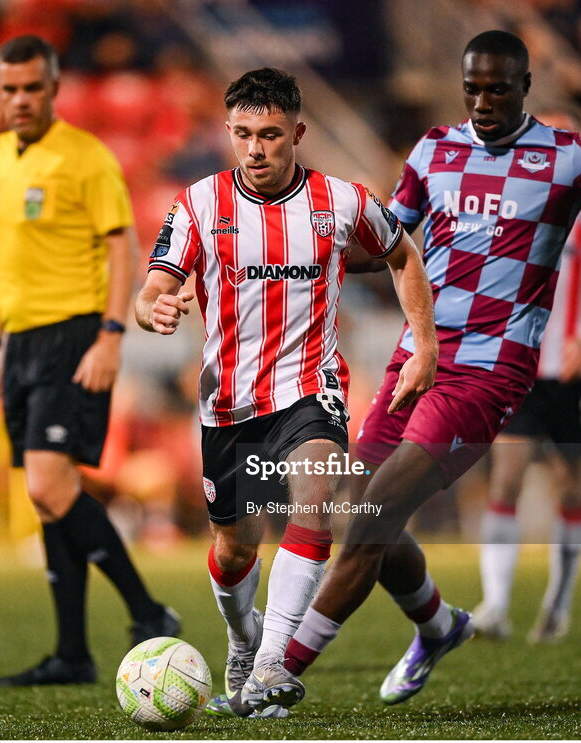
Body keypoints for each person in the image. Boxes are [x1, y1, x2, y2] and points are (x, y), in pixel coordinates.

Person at [245, 29, 581, 714]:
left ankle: (275, 676)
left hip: (491, 371)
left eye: (498, 88)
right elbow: (387, 246)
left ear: (526, 86)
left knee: (375, 514)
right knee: (362, 506)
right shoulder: (434, 149)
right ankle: (439, 625)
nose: (484, 101)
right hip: (420, 356)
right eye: (473, 88)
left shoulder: (569, 159)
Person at [134, 67, 437, 717]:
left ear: (297, 133)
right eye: (243, 134)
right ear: (228, 133)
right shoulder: (198, 204)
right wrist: (155, 308)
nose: (255, 148)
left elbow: (403, 254)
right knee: (235, 546)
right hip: (227, 405)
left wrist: (426, 342)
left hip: (310, 387)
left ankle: (273, 658)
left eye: (270, 134)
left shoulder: (342, 201)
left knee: (314, 496)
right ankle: (244, 642)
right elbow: (151, 287)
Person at [0, 35, 178, 688]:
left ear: (55, 87)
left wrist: (111, 335)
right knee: (50, 496)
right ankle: (72, 652)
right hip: (21, 343)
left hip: (73, 332)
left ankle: (149, 611)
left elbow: (122, 248)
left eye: (33, 87)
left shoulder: (86, 157)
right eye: (10, 88)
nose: (21, 100)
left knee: (47, 484)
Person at [475, 202, 581, 644]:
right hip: (520, 370)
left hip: (578, 374)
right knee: (505, 478)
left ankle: (558, 605)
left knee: (573, 487)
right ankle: (496, 606)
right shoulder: (514, 209)